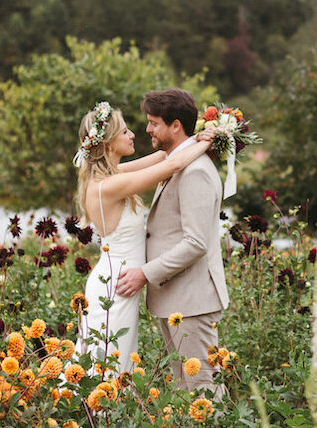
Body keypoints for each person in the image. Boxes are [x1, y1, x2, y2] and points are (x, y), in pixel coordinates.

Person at [72, 100, 214, 374]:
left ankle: (95, 415)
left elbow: (164, 156)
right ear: (109, 143)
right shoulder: (109, 185)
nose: (133, 135)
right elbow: (172, 166)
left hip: (122, 280)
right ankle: (83, 412)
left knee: (116, 361)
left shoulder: (113, 174)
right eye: (125, 132)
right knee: (104, 365)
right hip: (115, 287)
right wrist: (211, 141)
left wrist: (195, 136)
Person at [115, 88, 230, 395]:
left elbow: (196, 243)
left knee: (202, 390)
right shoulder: (176, 160)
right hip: (179, 297)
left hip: (192, 301)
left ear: (175, 125)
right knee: (185, 390)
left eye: (154, 122)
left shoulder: (195, 172)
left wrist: (145, 274)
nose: (147, 129)